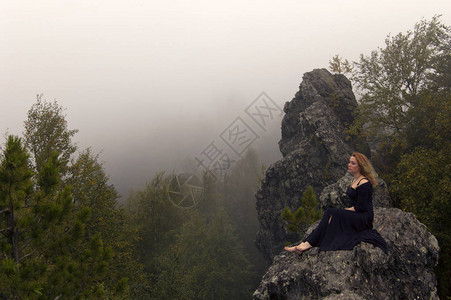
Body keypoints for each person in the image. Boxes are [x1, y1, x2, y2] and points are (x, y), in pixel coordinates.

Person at [284, 152, 388, 254]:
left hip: (364, 218)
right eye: (349, 162)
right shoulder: (355, 179)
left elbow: (360, 207)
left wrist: (342, 213)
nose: (349, 164)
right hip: (356, 214)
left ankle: (307, 244)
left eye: (353, 163)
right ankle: (306, 243)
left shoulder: (364, 183)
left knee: (331, 213)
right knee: (331, 216)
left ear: (360, 166)